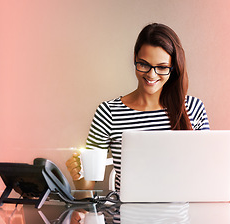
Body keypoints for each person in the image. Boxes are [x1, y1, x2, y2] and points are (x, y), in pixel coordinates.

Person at [65, 23, 210, 191]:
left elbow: (205, 175)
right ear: (135, 58)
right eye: (143, 64)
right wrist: (79, 177)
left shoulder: (193, 108)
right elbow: (87, 190)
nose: (151, 74)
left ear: (173, 68)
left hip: (183, 215)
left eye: (162, 67)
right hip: (126, 215)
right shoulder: (108, 112)